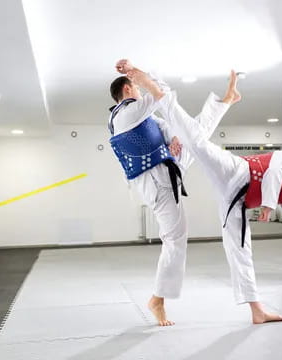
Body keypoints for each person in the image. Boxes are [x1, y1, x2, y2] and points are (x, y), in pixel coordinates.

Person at [117, 60, 282, 324]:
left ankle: (256, 310)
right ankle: (165, 89)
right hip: (237, 172)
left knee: (240, 250)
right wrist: (270, 204)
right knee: (196, 140)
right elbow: (273, 169)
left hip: (236, 200)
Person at [108, 63, 241, 326]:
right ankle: (158, 299)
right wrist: (141, 75)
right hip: (157, 182)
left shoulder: (142, 116)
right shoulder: (124, 115)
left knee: (194, 137)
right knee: (175, 239)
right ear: (127, 88)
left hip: (168, 165)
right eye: (134, 84)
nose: (138, 87)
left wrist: (174, 137)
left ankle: (225, 101)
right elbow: (161, 96)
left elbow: (166, 124)